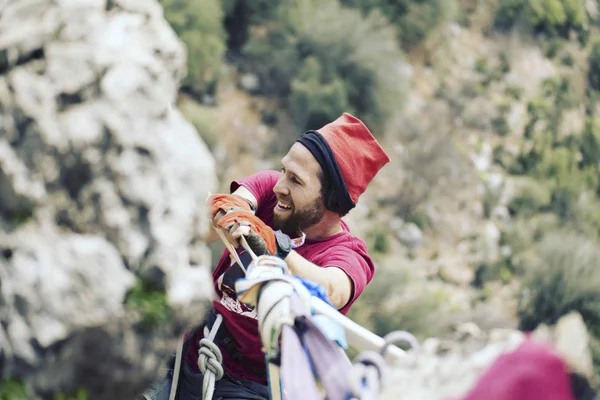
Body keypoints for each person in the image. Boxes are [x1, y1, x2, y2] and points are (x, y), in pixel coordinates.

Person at [144, 112, 390, 400]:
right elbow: (218, 220)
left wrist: (275, 248)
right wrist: (234, 210)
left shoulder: (348, 254)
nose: (279, 186)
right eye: (284, 170)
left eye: (296, 181)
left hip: (247, 389)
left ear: (331, 200)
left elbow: (331, 290)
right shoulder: (272, 196)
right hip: (186, 351)